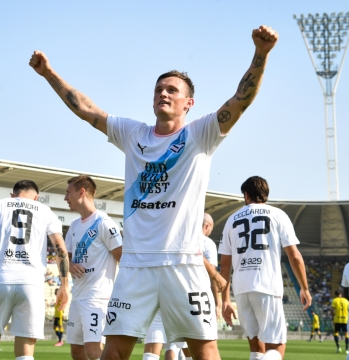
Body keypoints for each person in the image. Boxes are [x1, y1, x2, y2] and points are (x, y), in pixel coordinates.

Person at [31, 23, 279, 360]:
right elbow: (86, 110)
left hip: (183, 263)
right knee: (114, 351)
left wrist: (260, 54)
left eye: (172, 90)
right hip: (134, 266)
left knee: (205, 351)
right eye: (159, 89)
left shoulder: (199, 134)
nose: (163, 93)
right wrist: (49, 74)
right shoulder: (133, 134)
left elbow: (240, 101)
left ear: (188, 103)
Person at [0, 180, 70, 360]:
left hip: (0, 279)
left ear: (12, 195)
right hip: (32, 284)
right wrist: (64, 285)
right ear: (37, 197)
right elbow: (60, 248)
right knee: (26, 352)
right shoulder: (46, 211)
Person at [219, 176, 311, 360]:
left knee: (256, 347)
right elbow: (295, 256)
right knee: (276, 348)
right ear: (266, 194)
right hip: (266, 285)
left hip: (241, 289)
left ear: (246, 195)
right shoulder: (278, 215)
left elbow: (225, 265)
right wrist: (305, 288)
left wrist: (225, 300)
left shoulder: (231, 220)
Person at [63, 175, 123, 360]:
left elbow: (123, 257)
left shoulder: (104, 223)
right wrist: (70, 265)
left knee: (93, 348)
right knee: (76, 351)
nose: (65, 198)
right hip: (78, 297)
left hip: (97, 298)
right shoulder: (73, 226)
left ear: (82, 192)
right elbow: (64, 257)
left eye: (68, 192)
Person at [163, 213, 219, 360]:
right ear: (207, 226)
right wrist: (218, 303)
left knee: (173, 345)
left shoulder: (179, 238)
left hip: (173, 291)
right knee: (203, 343)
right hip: (198, 296)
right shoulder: (207, 243)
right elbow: (211, 273)